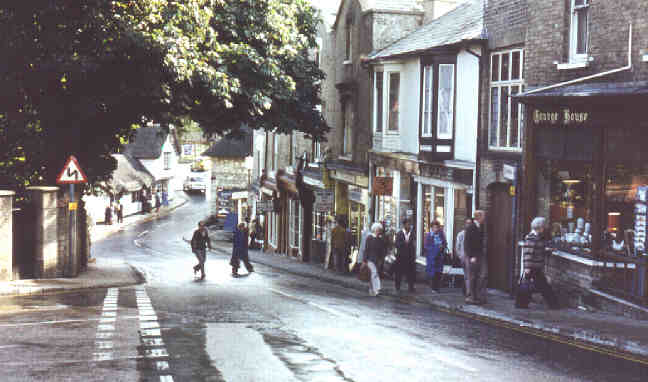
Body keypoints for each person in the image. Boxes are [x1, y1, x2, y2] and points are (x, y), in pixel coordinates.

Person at [516, 217, 559, 309]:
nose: (544, 229)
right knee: (540, 286)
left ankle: (521, 304)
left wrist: (547, 250)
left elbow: (539, 249)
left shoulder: (538, 237)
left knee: (538, 285)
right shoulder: (531, 238)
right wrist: (527, 267)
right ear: (539, 227)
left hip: (536, 266)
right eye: (543, 227)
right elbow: (528, 253)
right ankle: (553, 304)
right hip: (533, 266)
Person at [464, 210, 487, 304]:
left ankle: (477, 296)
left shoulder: (481, 227)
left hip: (480, 255)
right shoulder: (471, 227)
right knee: (472, 276)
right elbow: (467, 243)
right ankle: (470, 297)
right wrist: (471, 256)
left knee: (482, 275)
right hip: (472, 256)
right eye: (483, 216)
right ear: (479, 217)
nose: (484, 218)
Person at [394, 218, 416, 292]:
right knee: (399, 272)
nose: (409, 225)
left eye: (409, 224)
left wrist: (413, 255)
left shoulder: (412, 233)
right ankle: (397, 286)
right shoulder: (399, 233)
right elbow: (396, 244)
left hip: (410, 256)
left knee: (410, 272)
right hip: (401, 256)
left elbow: (413, 244)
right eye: (407, 224)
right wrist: (404, 243)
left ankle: (411, 287)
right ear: (404, 225)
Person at [424, 220, 447, 292]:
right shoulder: (429, 235)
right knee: (433, 272)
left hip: (439, 256)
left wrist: (442, 246)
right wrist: (435, 248)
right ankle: (433, 287)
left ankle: (437, 287)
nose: (436, 229)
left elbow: (445, 243)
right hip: (432, 257)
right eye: (434, 227)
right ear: (431, 228)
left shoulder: (441, 234)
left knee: (439, 272)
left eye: (437, 227)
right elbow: (426, 246)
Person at [364, 222, 385, 296]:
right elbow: (366, 249)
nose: (378, 231)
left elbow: (382, 250)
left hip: (377, 260)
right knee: (374, 273)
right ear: (374, 229)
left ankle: (371, 289)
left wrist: (382, 259)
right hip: (370, 259)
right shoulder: (369, 238)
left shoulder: (380, 239)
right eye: (377, 229)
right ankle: (377, 289)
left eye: (379, 229)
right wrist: (364, 260)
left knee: (373, 274)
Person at [455, 218, 473, 296]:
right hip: (464, 257)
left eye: (470, 223)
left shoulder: (474, 234)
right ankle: (467, 292)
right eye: (467, 223)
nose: (468, 225)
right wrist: (460, 256)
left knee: (470, 275)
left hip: (472, 258)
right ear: (464, 225)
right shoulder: (461, 234)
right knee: (467, 274)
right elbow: (457, 246)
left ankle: (468, 290)